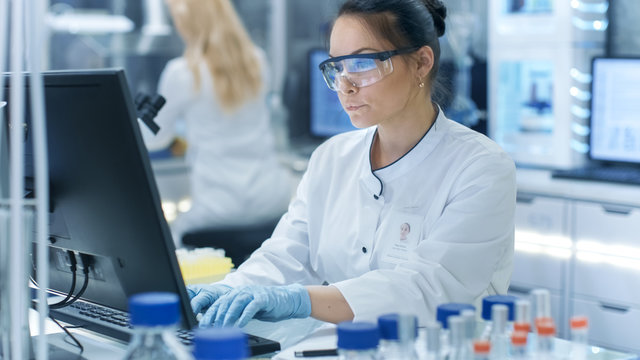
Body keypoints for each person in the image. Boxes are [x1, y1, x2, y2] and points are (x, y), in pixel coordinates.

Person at [188, 0, 516, 328]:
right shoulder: (332, 158)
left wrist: (300, 300)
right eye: (337, 67)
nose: (346, 85)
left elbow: (429, 287)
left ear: (421, 62)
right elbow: (286, 256)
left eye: (362, 63)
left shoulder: (480, 168)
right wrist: (224, 291)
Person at [141, 0, 293, 245]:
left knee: (166, 241)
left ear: (188, 21)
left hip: (217, 210)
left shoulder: (182, 72)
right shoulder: (258, 61)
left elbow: (154, 140)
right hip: (271, 201)